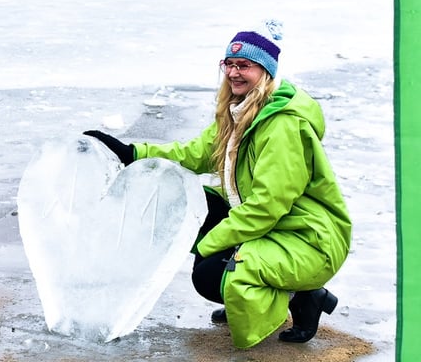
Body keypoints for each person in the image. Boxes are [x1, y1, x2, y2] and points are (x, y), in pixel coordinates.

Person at [84, 19, 351, 349]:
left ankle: (305, 297)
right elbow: (196, 153)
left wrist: (210, 244)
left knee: (209, 276)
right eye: (230, 64)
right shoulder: (238, 111)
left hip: (308, 238)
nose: (234, 73)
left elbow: (266, 207)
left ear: (265, 72)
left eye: (245, 66)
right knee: (196, 205)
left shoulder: (282, 127)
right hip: (276, 228)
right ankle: (246, 289)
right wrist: (134, 152)